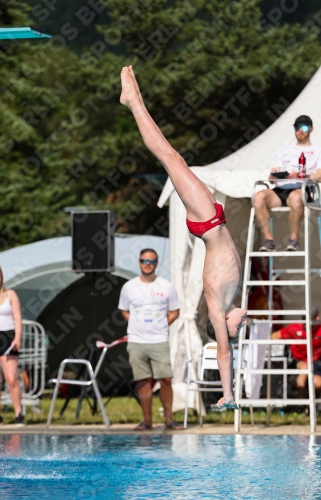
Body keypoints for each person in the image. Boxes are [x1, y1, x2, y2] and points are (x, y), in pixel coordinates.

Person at [120, 66, 247, 410]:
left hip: (206, 222)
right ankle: (133, 101)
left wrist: (228, 394)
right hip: (211, 219)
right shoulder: (232, 298)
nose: (242, 322)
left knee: (169, 156)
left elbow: (223, 351)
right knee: (171, 158)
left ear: (223, 324)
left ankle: (133, 101)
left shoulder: (217, 308)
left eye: (238, 327)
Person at [119, 248, 182, 430]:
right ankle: (147, 421)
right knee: (143, 381)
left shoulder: (166, 286)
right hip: (136, 341)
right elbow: (124, 310)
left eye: (151, 261)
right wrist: (136, 322)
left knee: (166, 379)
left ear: (156, 263)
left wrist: (162, 324)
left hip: (159, 339)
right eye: (144, 261)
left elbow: (175, 311)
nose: (147, 264)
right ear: (139, 263)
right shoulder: (129, 287)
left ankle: (169, 420)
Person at [254, 115, 321, 252]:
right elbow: (273, 173)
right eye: (297, 127)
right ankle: (268, 239)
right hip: (281, 188)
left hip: (303, 187)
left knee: (296, 198)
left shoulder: (317, 150)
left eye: (304, 127)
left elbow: (319, 175)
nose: (300, 131)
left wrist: (303, 175)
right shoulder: (284, 150)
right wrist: (274, 175)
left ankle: (294, 239)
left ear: (311, 129)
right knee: (258, 196)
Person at [0, 264, 24, 425]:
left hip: (8, 337)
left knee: (11, 378)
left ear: (1, 278)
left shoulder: (10, 295)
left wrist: (17, 337)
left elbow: (17, 317)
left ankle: (19, 414)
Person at [271, 307, 321, 399]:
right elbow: (275, 336)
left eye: (309, 318)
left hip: (315, 364)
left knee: (317, 383)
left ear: (316, 317)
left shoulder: (320, 330)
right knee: (306, 367)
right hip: (296, 362)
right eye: (303, 317)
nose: (305, 321)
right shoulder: (294, 328)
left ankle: (312, 407)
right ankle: (299, 404)